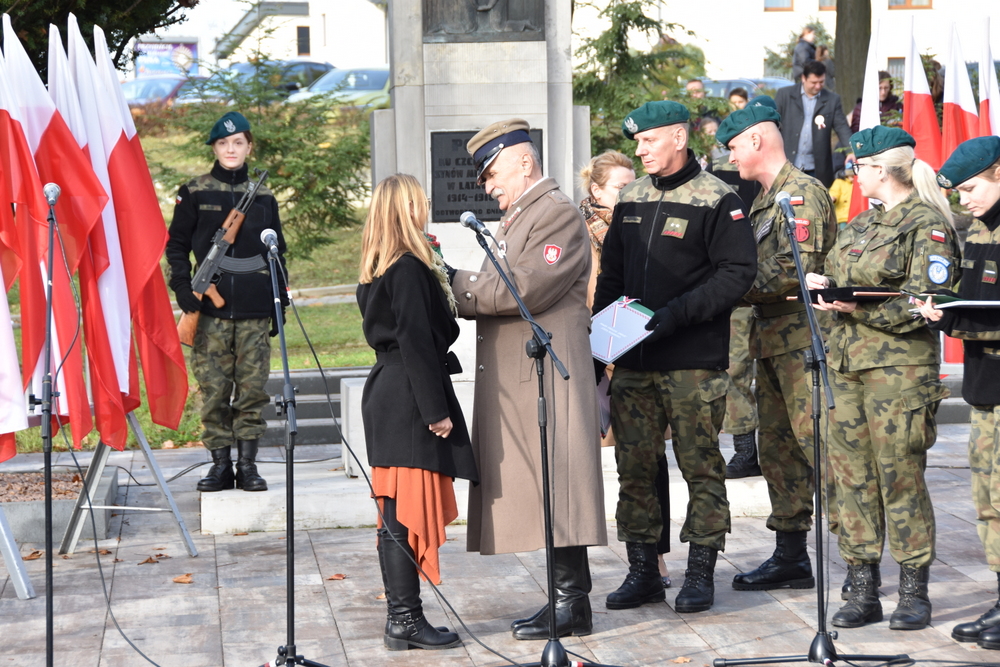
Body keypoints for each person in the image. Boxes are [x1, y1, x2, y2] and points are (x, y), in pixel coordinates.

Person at [595, 101, 756, 614]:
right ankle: (643, 570)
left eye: (649, 141)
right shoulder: (633, 198)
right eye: (637, 142)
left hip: (691, 361)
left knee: (700, 467)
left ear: (679, 137)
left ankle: (701, 572)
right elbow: (612, 280)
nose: (639, 150)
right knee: (634, 469)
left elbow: (736, 274)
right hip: (634, 364)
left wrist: (677, 314)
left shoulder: (718, 198)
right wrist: (602, 348)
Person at [452, 119, 607, 640]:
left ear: (524, 160)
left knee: (560, 482)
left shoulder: (556, 213)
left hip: (551, 371)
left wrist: (451, 281)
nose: (489, 186)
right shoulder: (526, 215)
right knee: (547, 484)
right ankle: (563, 598)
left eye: (493, 173)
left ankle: (572, 602)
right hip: (531, 372)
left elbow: (519, 290)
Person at [806, 126, 958, 630]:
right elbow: (845, 285)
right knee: (850, 479)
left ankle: (914, 589)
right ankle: (862, 586)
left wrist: (857, 307)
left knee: (900, 478)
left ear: (881, 169)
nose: (854, 174)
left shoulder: (927, 224)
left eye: (859, 166)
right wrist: (825, 288)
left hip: (898, 372)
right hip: (847, 367)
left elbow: (924, 303)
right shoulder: (860, 225)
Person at [717, 103, 838, 592]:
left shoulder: (800, 195)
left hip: (802, 344)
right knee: (779, 452)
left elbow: (794, 268)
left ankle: (857, 562)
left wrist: (725, 282)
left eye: (732, 148)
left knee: (824, 452)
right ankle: (791, 556)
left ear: (755, 141)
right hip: (769, 342)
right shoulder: (766, 200)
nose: (730, 160)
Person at [356, 174, 479, 651]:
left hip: (390, 392)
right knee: (400, 515)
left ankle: (402, 620)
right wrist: (436, 411)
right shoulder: (406, 268)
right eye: (421, 201)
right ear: (407, 208)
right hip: (409, 396)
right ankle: (405, 620)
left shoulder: (381, 265)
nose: (427, 207)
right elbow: (414, 340)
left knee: (394, 514)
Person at [166, 111, 284, 494]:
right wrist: (184, 288)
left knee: (252, 392)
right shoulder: (196, 191)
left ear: (249, 146)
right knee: (214, 391)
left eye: (238, 143)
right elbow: (177, 246)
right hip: (210, 314)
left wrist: (278, 297)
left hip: (253, 310)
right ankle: (220, 466)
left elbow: (276, 249)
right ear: (214, 148)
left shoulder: (264, 195)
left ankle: (247, 466)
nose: (230, 149)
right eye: (223, 144)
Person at [579, 150, 674, 590]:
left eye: (633, 183)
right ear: (597, 190)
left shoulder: (643, 226)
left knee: (649, 459)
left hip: (642, 353)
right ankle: (633, 557)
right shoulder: (580, 233)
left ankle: (654, 558)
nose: (631, 191)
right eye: (621, 186)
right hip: (599, 356)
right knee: (628, 461)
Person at [918, 136, 1000, 649]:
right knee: (988, 502)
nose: (963, 199)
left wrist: (956, 318)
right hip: (985, 388)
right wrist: (946, 307)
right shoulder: (979, 230)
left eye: (971, 188)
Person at [775, 60, 853, 188]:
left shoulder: (832, 100)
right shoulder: (785, 95)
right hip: (786, 163)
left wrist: (851, 151)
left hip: (817, 168)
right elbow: (773, 123)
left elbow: (841, 127)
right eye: (814, 83)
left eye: (821, 82)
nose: (818, 86)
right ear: (803, 78)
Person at [828, 158, 854, 229]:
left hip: (856, 215)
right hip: (843, 217)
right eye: (850, 175)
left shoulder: (858, 184)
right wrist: (833, 197)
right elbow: (834, 192)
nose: (852, 177)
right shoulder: (839, 182)